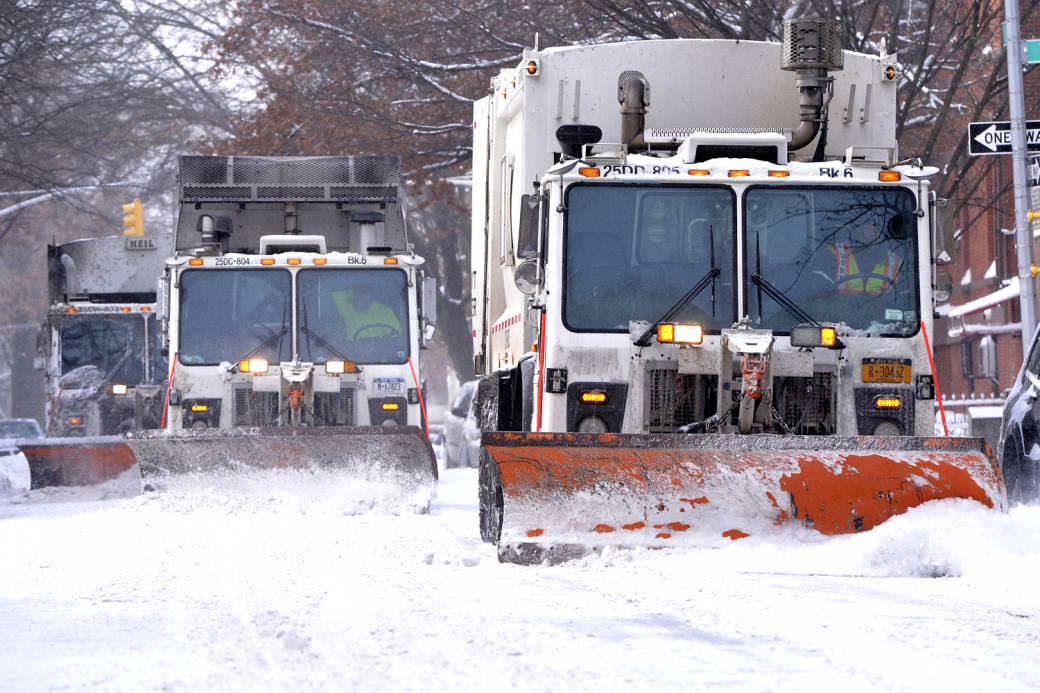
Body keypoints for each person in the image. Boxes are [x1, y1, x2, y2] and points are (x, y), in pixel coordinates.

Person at [331, 286, 402, 340]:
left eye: (365, 300)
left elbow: (395, 334)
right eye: (360, 300)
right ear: (355, 299)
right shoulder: (347, 309)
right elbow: (335, 295)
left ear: (371, 297)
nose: (363, 304)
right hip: (352, 352)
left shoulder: (385, 311)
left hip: (379, 353)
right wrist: (354, 292)